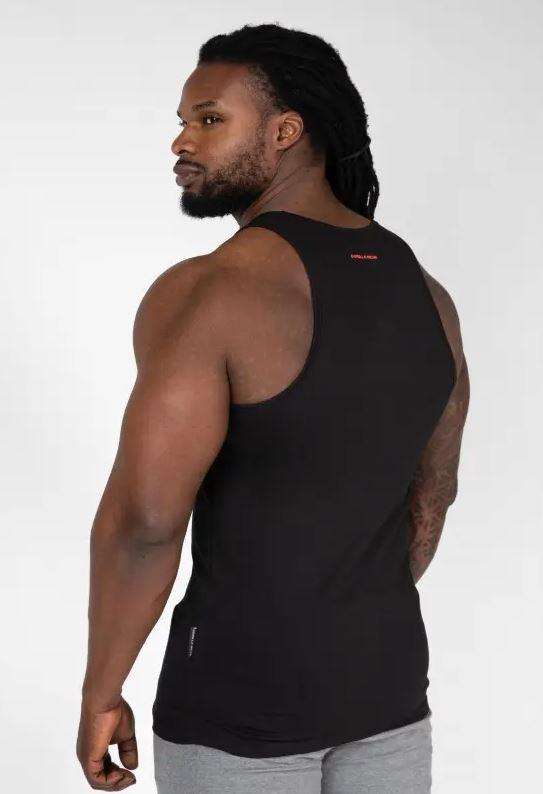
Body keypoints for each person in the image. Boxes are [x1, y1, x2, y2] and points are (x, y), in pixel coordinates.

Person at [76, 22, 470, 794]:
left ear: (285, 132)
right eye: (182, 120)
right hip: (388, 699)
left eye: (209, 119)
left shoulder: (210, 291)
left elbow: (145, 525)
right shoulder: (429, 296)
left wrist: (101, 691)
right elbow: (434, 494)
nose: (181, 141)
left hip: (237, 715)